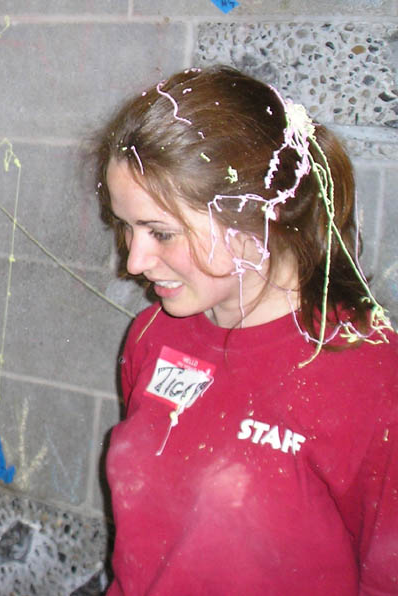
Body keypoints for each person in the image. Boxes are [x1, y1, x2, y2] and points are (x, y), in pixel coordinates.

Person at [92, 66, 398, 594]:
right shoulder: (152, 336)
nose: (135, 260)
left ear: (256, 219)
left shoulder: (373, 374)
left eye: (161, 233)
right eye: (126, 226)